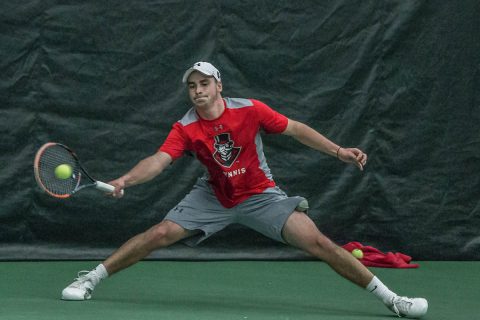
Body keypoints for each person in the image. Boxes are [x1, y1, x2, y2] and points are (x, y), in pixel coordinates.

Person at [62, 62, 428, 318]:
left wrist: (337, 151)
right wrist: (126, 180)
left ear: (218, 86)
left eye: (204, 83)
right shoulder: (185, 127)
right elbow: (159, 160)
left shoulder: (250, 110)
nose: (197, 91)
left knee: (320, 243)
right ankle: (92, 278)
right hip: (214, 196)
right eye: (192, 86)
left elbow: (296, 129)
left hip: (260, 195)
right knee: (159, 233)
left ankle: (394, 300)